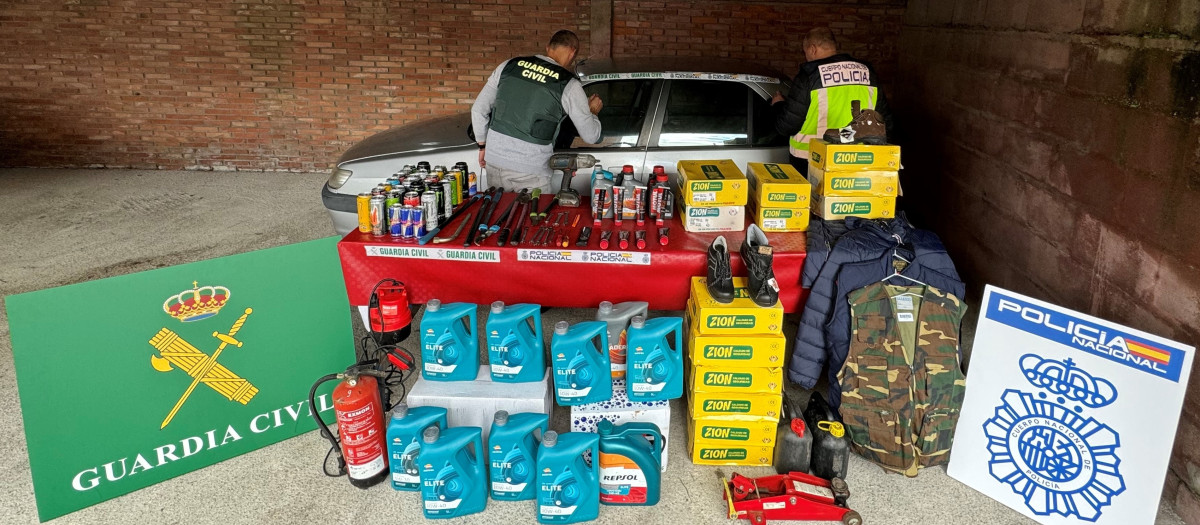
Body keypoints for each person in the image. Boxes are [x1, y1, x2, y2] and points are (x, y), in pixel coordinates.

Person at [471, 30, 603, 193]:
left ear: (548, 48)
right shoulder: (568, 84)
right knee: (532, 217)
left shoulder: (509, 65)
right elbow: (591, 136)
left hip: (494, 162)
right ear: (573, 51)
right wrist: (592, 112)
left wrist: (482, 146)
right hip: (531, 171)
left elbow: (478, 110)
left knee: (499, 215)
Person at [772, 28, 895, 175]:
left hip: (813, 160)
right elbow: (885, 122)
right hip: (859, 159)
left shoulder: (810, 76)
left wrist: (778, 104)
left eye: (805, 52)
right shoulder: (867, 72)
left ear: (812, 49)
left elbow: (786, 126)